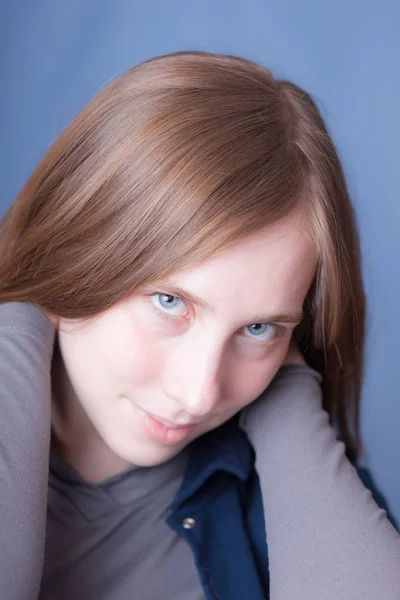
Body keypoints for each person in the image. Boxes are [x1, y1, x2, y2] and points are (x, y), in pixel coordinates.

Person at [0, 51, 399, 600]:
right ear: (77, 243)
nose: (198, 392)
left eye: (259, 329)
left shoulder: (294, 497)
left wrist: (287, 400)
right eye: (169, 301)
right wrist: (19, 320)